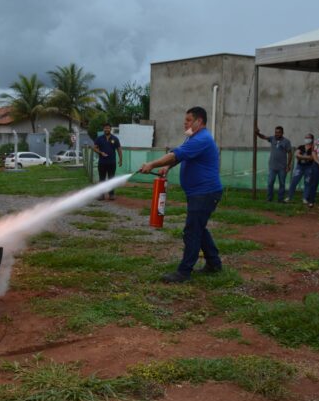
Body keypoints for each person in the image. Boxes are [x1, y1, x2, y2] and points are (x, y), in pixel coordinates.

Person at [138, 106, 222, 283]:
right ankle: (214, 264)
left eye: (189, 120)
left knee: (191, 231)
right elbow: (180, 156)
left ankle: (184, 272)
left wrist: (152, 164)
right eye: (185, 120)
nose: (185, 123)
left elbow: (176, 154)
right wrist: (167, 166)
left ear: (199, 122)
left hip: (205, 193)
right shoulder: (193, 137)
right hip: (199, 193)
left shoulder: (202, 139)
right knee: (199, 228)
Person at [255, 125, 293, 202]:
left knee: (282, 184)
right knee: (270, 183)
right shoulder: (272, 139)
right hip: (272, 166)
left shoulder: (286, 141)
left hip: (282, 167)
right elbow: (264, 137)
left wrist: (288, 165)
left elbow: (290, 153)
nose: (277, 134)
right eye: (276, 132)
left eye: (279, 132)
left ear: (282, 133)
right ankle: (269, 199)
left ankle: (280, 200)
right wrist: (258, 133)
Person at [93, 123, 123, 200]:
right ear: (103, 129)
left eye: (108, 128)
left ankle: (111, 195)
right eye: (105, 128)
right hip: (102, 163)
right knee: (102, 179)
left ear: (110, 129)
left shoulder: (115, 138)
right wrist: (100, 152)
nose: (106, 129)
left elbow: (119, 149)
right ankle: (101, 195)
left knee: (111, 179)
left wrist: (120, 159)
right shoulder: (99, 138)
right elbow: (95, 148)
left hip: (112, 163)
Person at [287, 133, 314, 203]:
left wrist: (301, 157)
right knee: (294, 181)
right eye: (306, 137)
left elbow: (313, 157)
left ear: (312, 139)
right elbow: (296, 154)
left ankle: (305, 198)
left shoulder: (314, 148)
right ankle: (289, 197)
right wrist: (307, 157)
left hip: (309, 167)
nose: (307, 139)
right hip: (300, 167)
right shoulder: (301, 147)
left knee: (307, 182)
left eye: (308, 138)